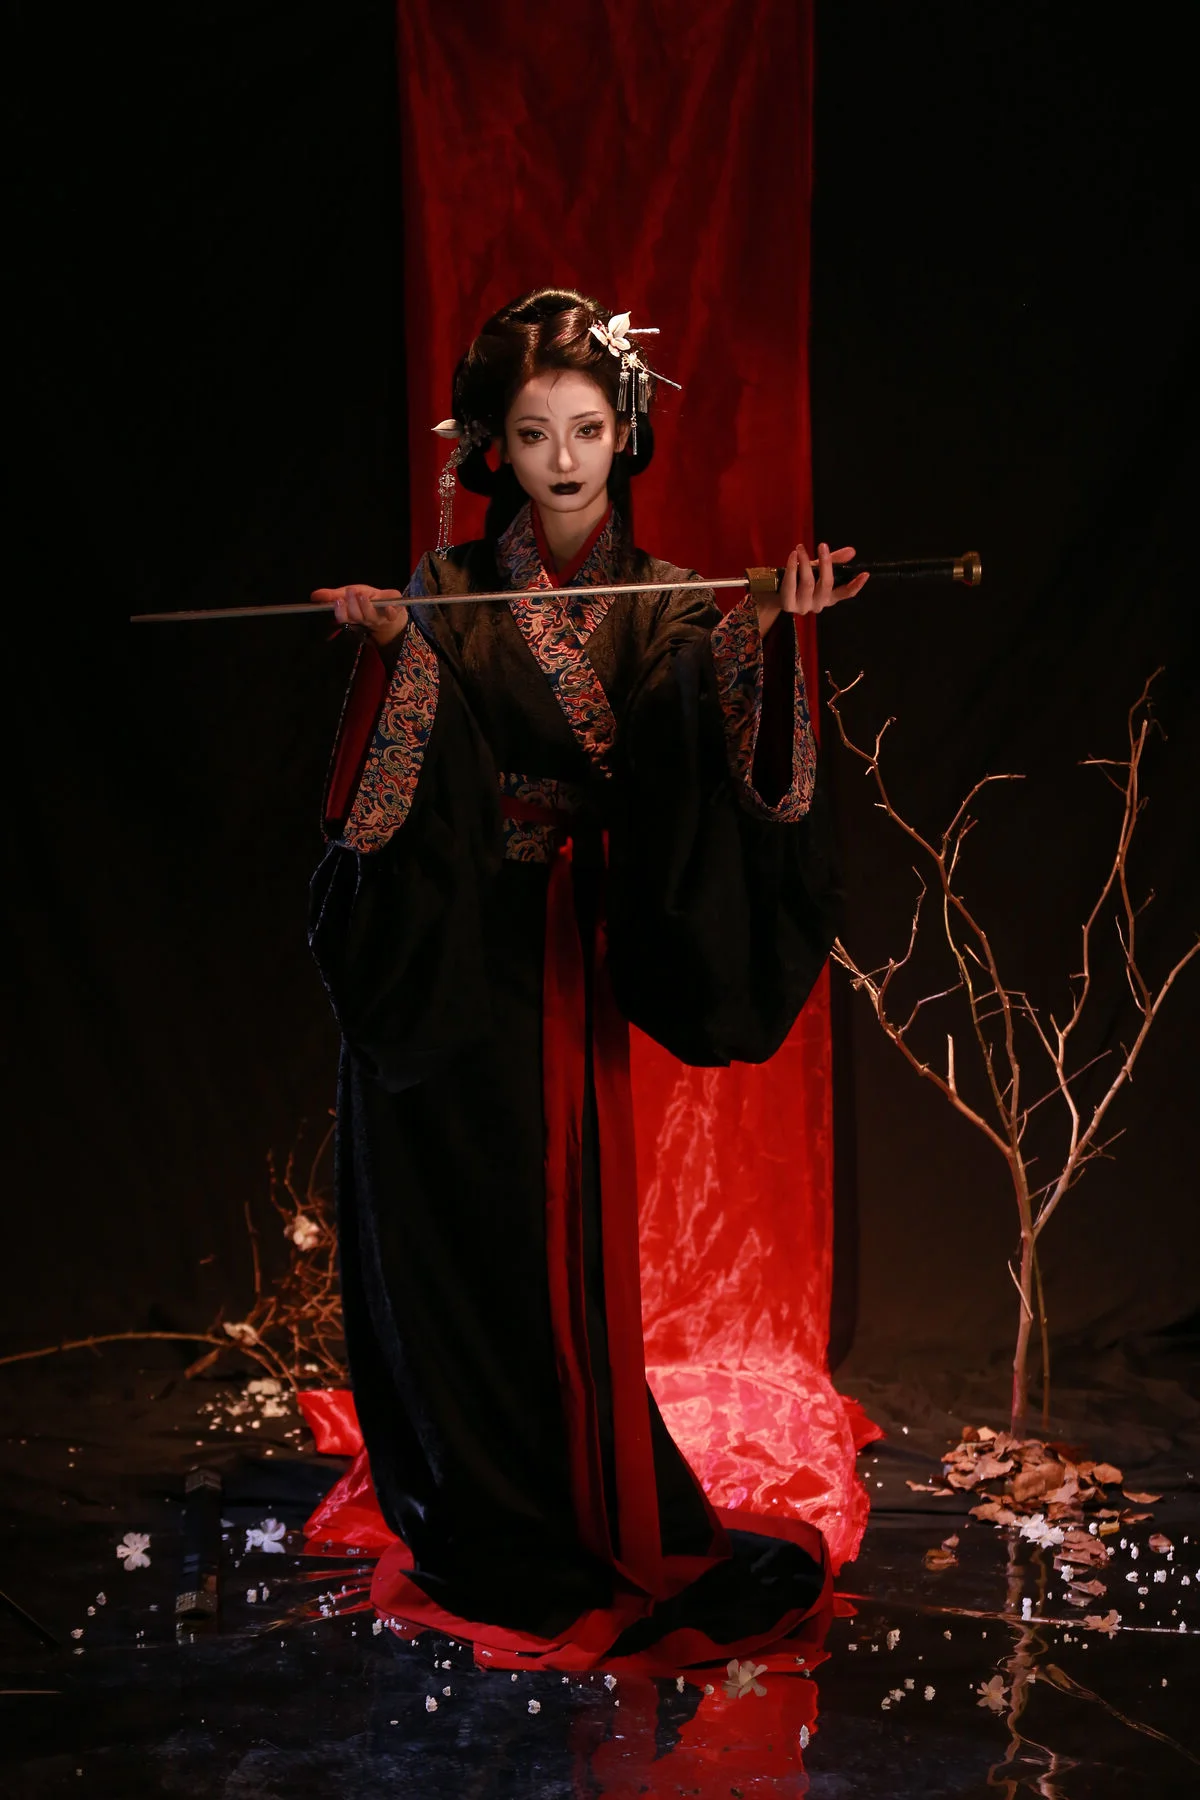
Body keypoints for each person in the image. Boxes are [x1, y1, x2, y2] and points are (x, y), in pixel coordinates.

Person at [307, 287, 866, 1671]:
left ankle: (572, 1498)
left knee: (548, 1226)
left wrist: (758, 638)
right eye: (532, 432)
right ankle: (468, 1490)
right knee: (446, 1231)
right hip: (448, 945)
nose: (562, 459)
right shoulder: (446, 588)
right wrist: (395, 651)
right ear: (492, 444)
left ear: (625, 435)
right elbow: (406, 780)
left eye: (588, 429)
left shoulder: (663, 602)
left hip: (557, 965)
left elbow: (695, 744)